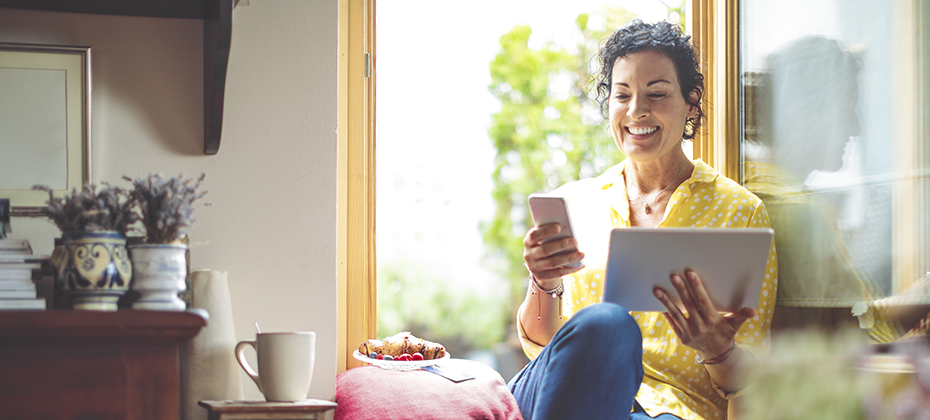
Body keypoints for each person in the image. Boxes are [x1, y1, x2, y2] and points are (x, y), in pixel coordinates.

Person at [507, 19, 778, 420]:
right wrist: (543, 281)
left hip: (668, 414)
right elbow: (544, 347)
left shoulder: (738, 213)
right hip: (560, 396)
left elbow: (749, 382)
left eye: (657, 93)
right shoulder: (575, 203)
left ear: (691, 101)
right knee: (606, 325)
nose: (637, 111)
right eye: (622, 95)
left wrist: (716, 349)